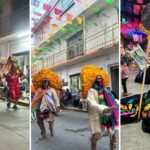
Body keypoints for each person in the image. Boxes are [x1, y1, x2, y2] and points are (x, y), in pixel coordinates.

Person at [80, 65, 119, 150]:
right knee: (97, 136)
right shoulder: (91, 91)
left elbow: (112, 100)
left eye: (101, 78)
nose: (100, 80)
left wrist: (117, 105)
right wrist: (104, 109)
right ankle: (93, 145)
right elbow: (92, 103)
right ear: (93, 80)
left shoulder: (105, 90)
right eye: (98, 79)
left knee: (113, 134)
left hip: (109, 114)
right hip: (97, 115)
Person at [32, 68, 62, 140]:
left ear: (49, 83)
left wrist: (57, 106)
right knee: (39, 122)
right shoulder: (39, 90)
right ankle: (43, 134)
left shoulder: (51, 90)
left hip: (48, 108)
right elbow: (35, 98)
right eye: (44, 82)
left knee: (50, 121)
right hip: (39, 108)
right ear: (41, 83)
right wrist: (33, 106)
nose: (45, 83)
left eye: (47, 82)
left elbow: (56, 98)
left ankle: (51, 129)